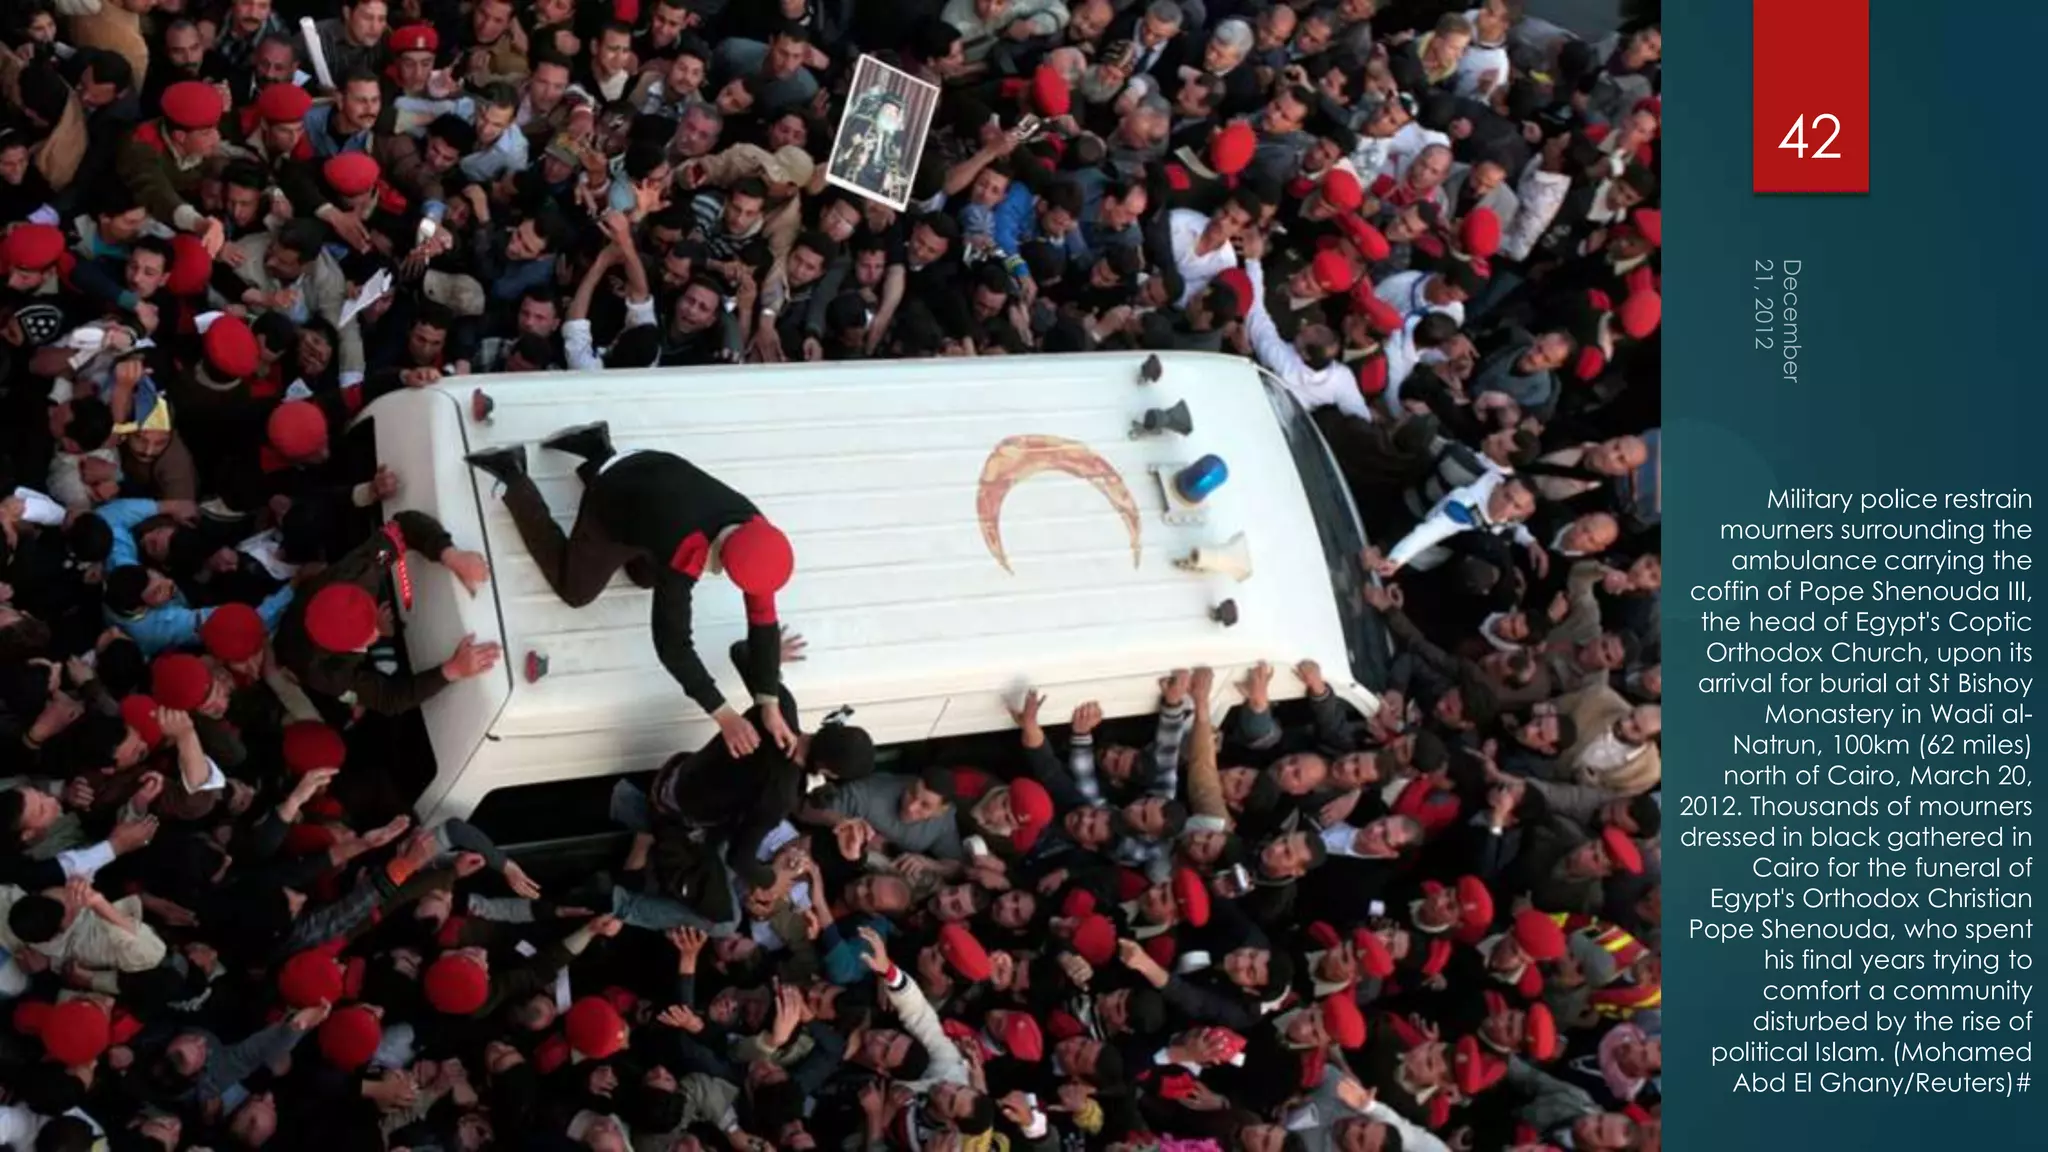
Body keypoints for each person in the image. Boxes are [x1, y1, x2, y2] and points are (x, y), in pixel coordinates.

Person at [465, 422, 797, 756]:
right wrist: (723, 714)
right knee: (575, 590)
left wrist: (768, 700)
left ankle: (596, 448)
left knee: (644, 578)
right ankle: (513, 474)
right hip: (615, 495)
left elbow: (763, 619)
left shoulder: (757, 534)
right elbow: (672, 644)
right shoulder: (686, 550)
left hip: (656, 471)